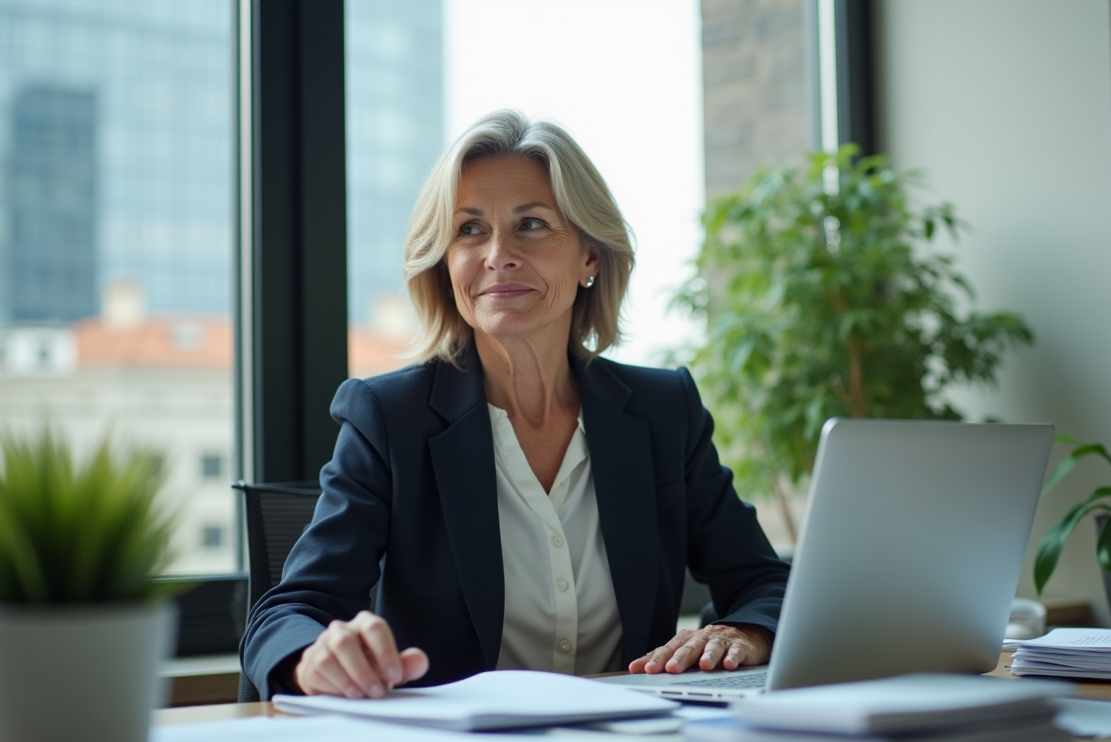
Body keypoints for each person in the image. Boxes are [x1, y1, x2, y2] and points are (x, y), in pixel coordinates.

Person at [241, 110, 790, 700]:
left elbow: (764, 581)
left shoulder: (663, 410)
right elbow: (288, 612)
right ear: (444, 263)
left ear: (590, 257)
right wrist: (316, 657)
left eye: (531, 224)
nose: (498, 254)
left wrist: (745, 631)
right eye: (470, 230)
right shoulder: (388, 417)